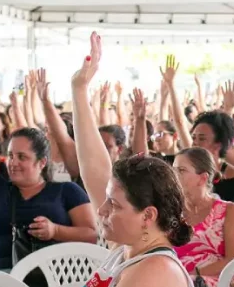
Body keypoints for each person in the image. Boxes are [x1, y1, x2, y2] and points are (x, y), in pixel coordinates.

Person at [71, 33, 194, 287]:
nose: (101, 209)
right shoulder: (131, 249)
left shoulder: (154, 272)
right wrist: (79, 90)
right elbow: (94, 169)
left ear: (148, 215)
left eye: (114, 205)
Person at [0, 65, 97, 271]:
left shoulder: (66, 192)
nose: (13, 162)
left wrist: (56, 230)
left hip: (49, 281)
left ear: (42, 162)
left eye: (22, 157)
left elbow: (91, 234)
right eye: (11, 156)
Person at [173, 147, 234, 287]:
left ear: (202, 178)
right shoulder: (171, 212)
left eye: (181, 170)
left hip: (222, 280)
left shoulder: (228, 211)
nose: (174, 175)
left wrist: (192, 274)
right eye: (173, 170)